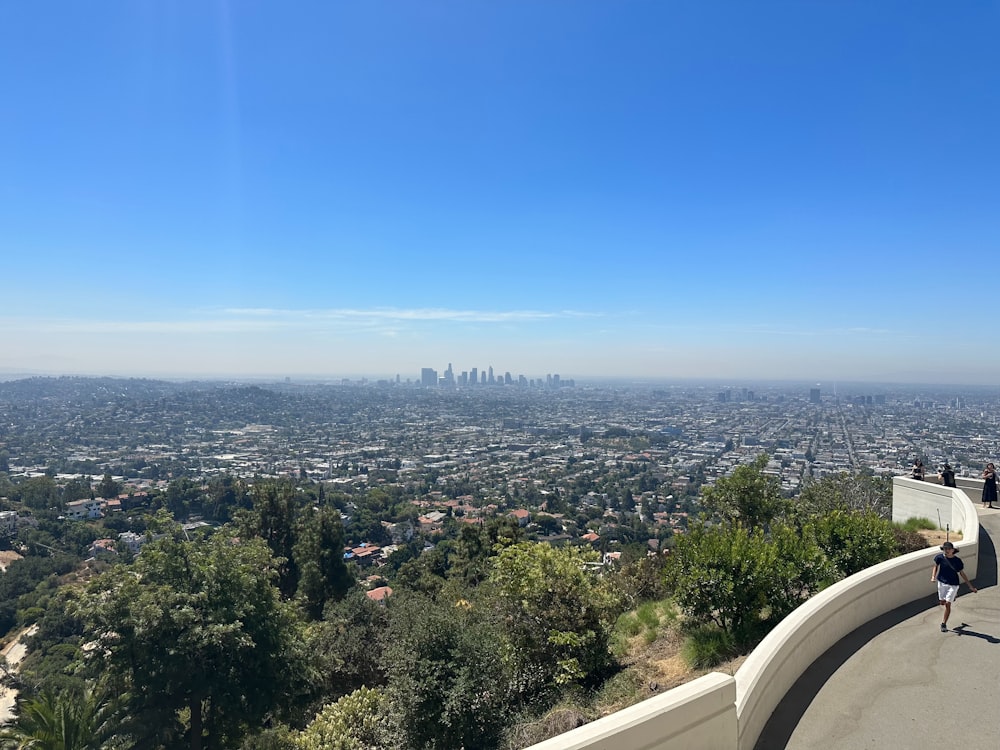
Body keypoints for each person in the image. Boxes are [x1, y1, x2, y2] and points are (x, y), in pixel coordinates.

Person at [931, 541, 976, 632]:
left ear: (952, 550)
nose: (946, 551)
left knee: (948, 604)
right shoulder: (939, 557)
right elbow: (935, 566)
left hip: (953, 584)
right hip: (941, 582)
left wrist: (970, 586)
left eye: (948, 549)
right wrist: (933, 576)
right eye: (944, 549)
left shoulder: (957, 561)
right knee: (942, 602)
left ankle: (943, 624)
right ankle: (953, 596)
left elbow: (962, 574)